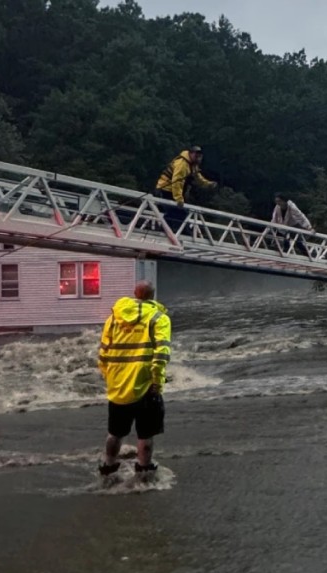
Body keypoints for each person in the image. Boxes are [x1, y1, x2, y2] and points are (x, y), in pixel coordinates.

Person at [97, 280, 172, 477]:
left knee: (115, 432)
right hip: (145, 385)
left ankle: (108, 466)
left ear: (134, 293)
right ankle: (144, 469)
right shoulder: (159, 318)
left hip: (117, 384)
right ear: (152, 296)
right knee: (146, 434)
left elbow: (103, 352)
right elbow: (161, 354)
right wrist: (157, 381)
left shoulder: (114, 318)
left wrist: (109, 376)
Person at [155, 146, 217, 231]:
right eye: (196, 155)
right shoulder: (182, 164)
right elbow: (177, 182)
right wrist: (179, 199)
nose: (198, 158)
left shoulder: (193, 165)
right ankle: (175, 231)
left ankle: (166, 230)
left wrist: (208, 184)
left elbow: (198, 177)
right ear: (190, 154)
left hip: (175, 191)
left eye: (200, 156)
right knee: (177, 212)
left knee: (177, 213)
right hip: (167, 189)